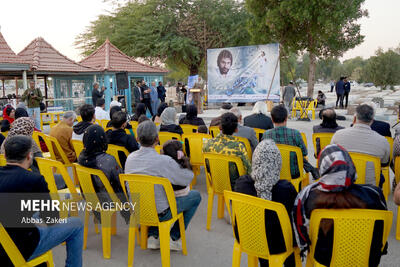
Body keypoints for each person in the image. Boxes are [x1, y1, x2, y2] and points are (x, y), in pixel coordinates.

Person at [293, 144, 387, 267]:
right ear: (351, 166)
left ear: (323, 168)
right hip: (366, 258)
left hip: (325, 259)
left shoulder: (307, 198)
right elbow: (382, 233)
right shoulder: (375, 194)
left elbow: (303, 235)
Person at [0, 136, 83, 267]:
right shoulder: (34, 180)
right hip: (21, 247)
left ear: (5, 155)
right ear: (29, 156)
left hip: (4, 242)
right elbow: (51, 218)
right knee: (76, 224)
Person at [125, 121, 201, 250]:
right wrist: (182, 160)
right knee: (195, 196)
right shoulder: (164, 161)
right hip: (161, 212)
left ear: (137, 138)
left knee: (157, 197)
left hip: (138, 209)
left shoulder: (130, 158)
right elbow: (187, 178)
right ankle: (173, 237)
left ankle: (153, 235)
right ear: (157, 139)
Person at [234, 139, 297, 267]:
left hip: (248, 239)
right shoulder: (286, 188)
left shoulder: (242, 184)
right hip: (279, 245)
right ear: (277, 163)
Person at [78, 125, 130, 223]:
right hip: (107, 200)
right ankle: (131, 219)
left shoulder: (81, 157)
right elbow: (121, 184)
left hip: (90, 198)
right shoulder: (108, 160)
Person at [331, 104, 390, 186]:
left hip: (343, 184)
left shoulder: (338, 135)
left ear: (355, 118)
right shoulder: (383, 141)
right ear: (372, 120)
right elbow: (385, 163)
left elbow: (332, 157)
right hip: (369, 188)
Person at [263, 105, 319, 179]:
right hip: (293, 173)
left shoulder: (266, 134)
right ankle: (312, 170)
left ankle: (312, 170)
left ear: (272, 119)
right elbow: (304, 152)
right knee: (296, 155)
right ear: (286, 118)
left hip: (272, 173)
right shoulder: (295, 133)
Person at [203, 112, 251, 189]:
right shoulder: (238, 147)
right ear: (236, 130)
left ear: (220, 127)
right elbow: (248, 170)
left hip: (216, 182)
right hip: (235, 186)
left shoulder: (207, 144)